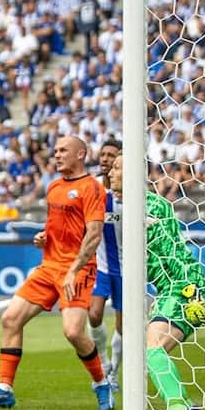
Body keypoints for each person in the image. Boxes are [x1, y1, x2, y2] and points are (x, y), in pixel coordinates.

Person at [0, 135, 114, 410]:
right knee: (10, 319)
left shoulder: (91, 188)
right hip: (49, 267)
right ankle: (5, 389)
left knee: (73, 332)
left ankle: (101, 382)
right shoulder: (54, 187)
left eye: (63, 151)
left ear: (81, 154)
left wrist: (74, 270)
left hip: (79, 268)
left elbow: (94, 233)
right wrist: (44, 237)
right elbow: (56, 226)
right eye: (56, 150)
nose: (57, 155)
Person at [107, 155, 205, 410]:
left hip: (184, 286)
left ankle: (178, 407)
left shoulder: (149, 204)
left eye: (118, 166)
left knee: (151, 346)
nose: (111, 171)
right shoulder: (126, 208)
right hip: (178, 287)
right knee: (152, 348)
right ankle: (185, 406)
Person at [89, 139, 123, 390]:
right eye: (102, 154)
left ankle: (115, 373)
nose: (105, 159)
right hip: (100, 267)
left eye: (111, 155)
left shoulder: (131, 193)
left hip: (126, 270)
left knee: (124, 325)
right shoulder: (93, 189)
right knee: (94, 314)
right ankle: (103, 364)